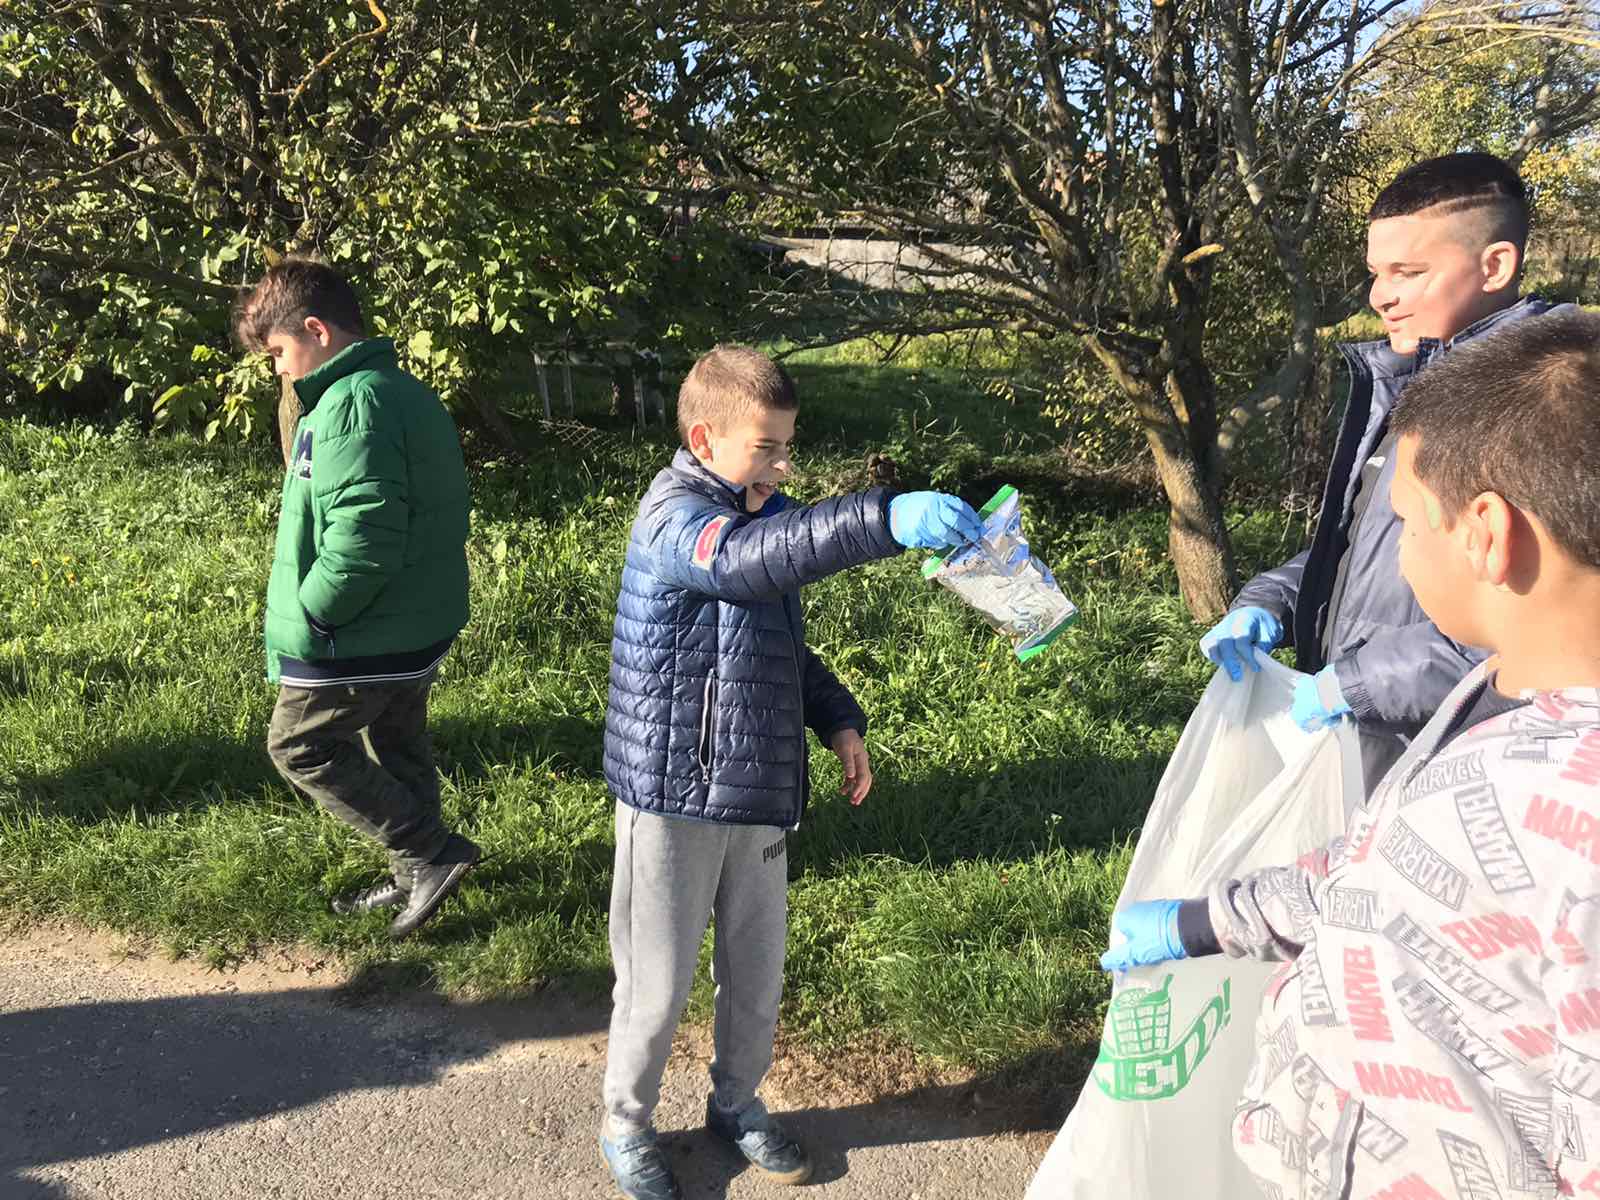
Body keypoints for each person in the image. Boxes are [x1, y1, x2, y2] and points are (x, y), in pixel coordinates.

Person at [1104, 309, 1600, 1195]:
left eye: (1406, 522)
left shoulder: (1576, 814)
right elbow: (1385, 870)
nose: (1398, 553)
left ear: (1486, 534)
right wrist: (1204, 923)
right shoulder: (1495, 693)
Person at [598, 344, 983, 1200]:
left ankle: (735, 1104)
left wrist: (838, 719)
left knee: (756, 974)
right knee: (656, 982)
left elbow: (774, 644)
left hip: (758, 788)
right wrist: (882, 518)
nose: (783, 466)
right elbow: (742, 565)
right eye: (766, 447)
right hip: (673, 795)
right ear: (705, 440)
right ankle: (626, 1121)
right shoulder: (675, 519)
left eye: (788, 447)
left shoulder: (758, 512)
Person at [1201, 152, 1574, 792]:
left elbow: (1549, 617)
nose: (1381, 296)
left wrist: (1362, 682)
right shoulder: (1412, 385)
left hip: (1468, 762)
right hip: (1374, 741)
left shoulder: (1550, 404)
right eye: (1377, 272)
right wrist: (1273, 600)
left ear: (1495, 266)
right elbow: (1366, 550)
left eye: (1410, 272)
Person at [233, 258, 479, 940]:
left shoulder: (351, 404)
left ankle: (429, 851)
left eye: (279, 353)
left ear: (316, 330)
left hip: (366, 629)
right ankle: (416, 870)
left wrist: (315, 614)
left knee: (298, 745)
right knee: (397, 739)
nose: (280, 370)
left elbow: (362, 538)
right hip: (413, 620)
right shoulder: (397, 390)